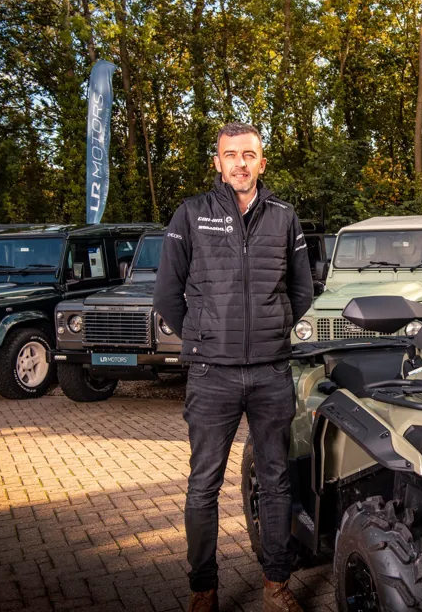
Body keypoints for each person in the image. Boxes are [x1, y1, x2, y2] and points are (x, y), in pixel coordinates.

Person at [154, 122, 312, 612]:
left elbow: (303, 292)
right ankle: (203, 588)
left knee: (275, 480)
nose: (240, 163)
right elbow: (166, 295)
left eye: (250, 154)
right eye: (231, 155)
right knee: (204, 484)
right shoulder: (191, 215)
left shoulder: (284, 218)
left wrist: (271, 331)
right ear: (217, 163)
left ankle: (276, 583)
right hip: (212, 375)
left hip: (270, 373)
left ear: (262, 162)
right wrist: (203, 339)